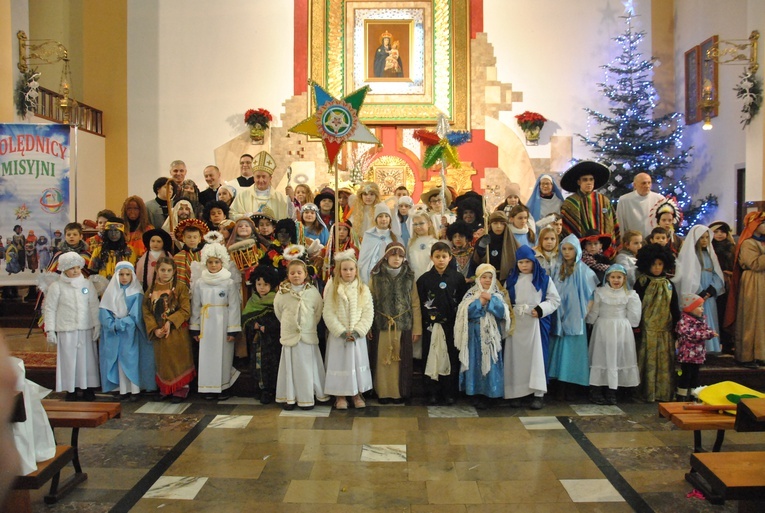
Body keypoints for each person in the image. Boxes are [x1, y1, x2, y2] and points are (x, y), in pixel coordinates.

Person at [504, 245, 560, 410]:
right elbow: (505, 298)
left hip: (535, 322)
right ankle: (516, 392)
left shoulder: (544, 279)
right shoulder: (512, 279)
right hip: (517, 323)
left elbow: (554, 300)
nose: (524, 265)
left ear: (534, 262)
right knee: (516, 358)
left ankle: (538, 394)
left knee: (536, 357)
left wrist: (541, 309)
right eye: (521, 262)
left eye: (528, 261)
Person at [190, 234, 242, 400]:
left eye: (216, 262)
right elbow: (196, 306)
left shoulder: (228, 282)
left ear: (222, 262)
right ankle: (208, 388)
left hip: (223, 323)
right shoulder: (200, 282)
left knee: (224, 356)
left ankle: (223, 386)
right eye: (210, 262)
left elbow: (234, 306)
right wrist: (195, 327)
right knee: (207, 357)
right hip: (206, 324)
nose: (213, 265)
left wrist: (232, 330)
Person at [417, 242, 469, 405]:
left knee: (451, 356)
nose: (441, 260)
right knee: (431, 356)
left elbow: (462, 300)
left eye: (444, 257)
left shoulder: (457, 278)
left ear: (450, 258)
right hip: (431, 326)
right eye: (437, 257)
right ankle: (432, 392)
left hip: (451, 326)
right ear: (431, 258)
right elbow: (419, 302)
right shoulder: (424, 279)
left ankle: (449, 392)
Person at [369, 242, 421, 403]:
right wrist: (369, 326)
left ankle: (399, 393)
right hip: (381, 324)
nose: (397, 259)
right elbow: (369, 301)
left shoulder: (409, 276)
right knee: (382, 359)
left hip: (403, 325)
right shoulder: (376, 276)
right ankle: (383, 392)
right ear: (386, 256)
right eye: (393, 255)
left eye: (400, 256)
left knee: (399, 360)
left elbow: (415, 303)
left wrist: (417, 328)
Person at [44, 252, 101, 401]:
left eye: (77, 267)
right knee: (69, 359)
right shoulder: (56, 287)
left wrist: (97, 325)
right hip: (66, 328)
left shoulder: (87, 285)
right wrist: (50, 330)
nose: (75, 271)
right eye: (71, 268)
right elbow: (50, 308)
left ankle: (88, 387)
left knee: (87, 360)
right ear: (63, 269)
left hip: (85, 328)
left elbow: (93, 305)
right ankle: (71, 388)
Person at [322, 249, 374, 409]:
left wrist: (359, 330)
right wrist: (341, 331)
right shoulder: (333, 289)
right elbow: (328, 312)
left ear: (356, 270)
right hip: (339, 337)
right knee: (340, 365)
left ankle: (356, 394)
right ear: (339, 271)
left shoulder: (362, 289)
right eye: (344, 269)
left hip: (357, 336)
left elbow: (368, 312)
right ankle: (340, 396)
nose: (348, 272)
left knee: (356, 365)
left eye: (351, 269)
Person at [455, 263, 512, 409]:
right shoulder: (470, 294)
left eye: (490, 277)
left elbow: (503, 313)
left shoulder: (498, 294)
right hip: (473, 335)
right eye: (483, 277)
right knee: (474, 362)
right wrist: (480, 301)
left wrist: (491, 300)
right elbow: (464, 313)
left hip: (491, 336)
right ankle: (474, 392)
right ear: (478, 279)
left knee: (491, 362)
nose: (487, 280)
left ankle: (491, 393)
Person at [274, 259, 329, 410]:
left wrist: (307, 325)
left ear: (305, 274)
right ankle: (290, 397)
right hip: (290, 336)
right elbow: (278, 311)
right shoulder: (282, 293)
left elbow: (317, 312)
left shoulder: (312, 292)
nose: (296, 275)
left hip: (307, 336)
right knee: (290, 368)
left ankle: (307, 397)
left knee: (307, 367)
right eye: (292, 273)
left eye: (299, 272)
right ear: (288, 275)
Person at [548, 235, 599, 394]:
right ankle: (557, 385)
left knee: (572, 352)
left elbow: (590, 294)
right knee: (557, 350)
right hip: (558, 315)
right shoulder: (556, 268)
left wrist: (584, 312)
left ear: (577, 250)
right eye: (564, 249)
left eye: (571, 249)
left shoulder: (584, 270)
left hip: (575, 316)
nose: (567, 252)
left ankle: (571, 386)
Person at [99, 261, 156, 401]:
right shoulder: (110, 293)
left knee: (131, 360)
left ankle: (134, 389)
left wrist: (122, 323)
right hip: (114, 333)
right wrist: (111, 324)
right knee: (117, 361)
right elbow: (104, 311)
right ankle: (122, 389)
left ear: (133, 276)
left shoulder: (136, 294)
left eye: (127, 274)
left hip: (131, 333)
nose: (124, 277)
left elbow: (136, 315)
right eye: (121, 274)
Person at [142, 256, 196, 402]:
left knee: (178, 358)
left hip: (176, 331)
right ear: (157, 271)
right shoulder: (151, 289)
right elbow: (146, 311)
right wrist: (154, 328)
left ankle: (181, 388)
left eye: (169, 270)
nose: (165, 273)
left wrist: (170, 322)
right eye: (162, 270)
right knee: (163, 360)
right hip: (160, 332)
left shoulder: (180, 287)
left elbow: (186, 310)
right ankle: (166, 388)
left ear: (174, 271)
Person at [586, 264, 642, 405]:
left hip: (621, 329)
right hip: (603, 328)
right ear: (607, 278)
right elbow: (594, 312)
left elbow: (634, 317)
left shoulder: (630, 295)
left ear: (624, 279)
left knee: (617, 357)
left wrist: (627, 324)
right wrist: (590, 320)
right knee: (601, 357)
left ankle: (613, 391)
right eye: (613, 277)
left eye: (619, 277)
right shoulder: (600, 292)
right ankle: (597, 390)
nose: (616, 280)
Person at [634, 243, 680, 402]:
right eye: (653, 264)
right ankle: (645, 392)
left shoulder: (669, 284)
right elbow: (636, 304)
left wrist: (677, 328)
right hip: (647, 329)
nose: (656, 267)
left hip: (665, 329)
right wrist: (637, 325)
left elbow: (674, 307)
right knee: (645, 360)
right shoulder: (641, 282)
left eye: (660, 264)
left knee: (664, 363)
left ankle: (662, 392)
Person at [672, 225, 725, 353]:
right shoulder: (689, 255)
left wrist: (712, 289)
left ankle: (710, 347)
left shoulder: (710, 254)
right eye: (701, 238)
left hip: (709, 293)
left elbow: (716, 273)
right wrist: (700, 292)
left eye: (707, 237)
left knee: (709, 318)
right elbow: (689, 275)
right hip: (696, 293)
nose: (705, 240)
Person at [724, 211, 765, 367]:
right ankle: (746, 356)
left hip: (762, 281)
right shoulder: (748, 243)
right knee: (750, 318)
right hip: (753, 283)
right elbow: (754, 264)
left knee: (762, 319)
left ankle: (760, 354)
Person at [242, 265, 282, 404]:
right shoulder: (252, 300)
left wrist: (267, 326)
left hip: (271, 341)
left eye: (266, 284)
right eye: (259, 284)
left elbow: (280, 318)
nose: (262, 287)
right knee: (256, 365)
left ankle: (270, 390)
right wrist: (253, 325)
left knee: (271, 364)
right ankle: (259, 388)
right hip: (256, 340)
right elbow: (246, 317)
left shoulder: (276, 299)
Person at [560, 161, 619, 244]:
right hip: (580, 247)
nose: (589, 182)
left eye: (591, 179)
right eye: (585, 180)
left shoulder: (603, 200)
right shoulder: (570, 202)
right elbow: (566, 227)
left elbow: (611, 222)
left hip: (602, 246)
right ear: (579, 182)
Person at [675, 293, 718, 401]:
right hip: (687, 354)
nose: (702, 309)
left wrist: (710, 332)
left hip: (697, 355)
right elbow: (691, 334)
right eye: (699, 306)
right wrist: (708, 334)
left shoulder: (700, 320)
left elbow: (705, 329)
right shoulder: (684, 321)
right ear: (691, 308)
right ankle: (682, 395)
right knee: (686, 374)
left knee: (695, 375)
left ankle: (694, 394)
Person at [229, 151, 292, 220]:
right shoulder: (243, 196)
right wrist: (250, 215)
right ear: (254, 178)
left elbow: (291, 216)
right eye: (258, 177)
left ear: (270, 178)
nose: (261, 180)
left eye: (264, 177)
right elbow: (232, 215)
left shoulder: (279, 198)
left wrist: (291, 199)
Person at [708, 221, 735, 353]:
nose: (719, 234)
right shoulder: (708, 247)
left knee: (727, 311)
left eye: (722, 232)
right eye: (716, 232)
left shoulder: (732, 247)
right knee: (715, 312)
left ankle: (727, 342)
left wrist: (730, 273)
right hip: (712, 283)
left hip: (728, 284)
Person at [616, 173, 665, 238]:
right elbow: (620, 222)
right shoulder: (624, 200)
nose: (647, 186)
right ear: (635, 185)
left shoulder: (660, 199)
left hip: (654, 240)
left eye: (649, 183)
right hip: (632, 241)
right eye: (643, 183)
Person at [474, 211, 519, 282]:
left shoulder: (511, 241)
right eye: (495, 223)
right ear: (490, 225)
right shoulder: (484, 239)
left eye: (502, 224)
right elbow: (476, 260)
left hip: (506, 279)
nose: (498, 226)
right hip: (487, 278)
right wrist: (481, 249)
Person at [358, 203, 397, 284]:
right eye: (380, 216)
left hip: (389, 276)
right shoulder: (369, 235)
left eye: (386, 216)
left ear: (390, 219)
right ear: (376, 219)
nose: (384, 219)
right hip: (371, 276)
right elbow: (363, 258)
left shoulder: (395, 237)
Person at [173, 219, 209, 287]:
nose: (192, 240)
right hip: (184, 290)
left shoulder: (205, 255)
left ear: (199, 239)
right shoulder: (178, 257)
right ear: (183, 239)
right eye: (189, 237)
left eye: (195, 237)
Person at [408, 212, 438, 281]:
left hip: (430, 279)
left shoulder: (434, 242)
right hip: (415, 280)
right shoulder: (411, 243)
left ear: (429, 224)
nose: (418, 227)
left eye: (421, 223)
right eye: (415, 224)